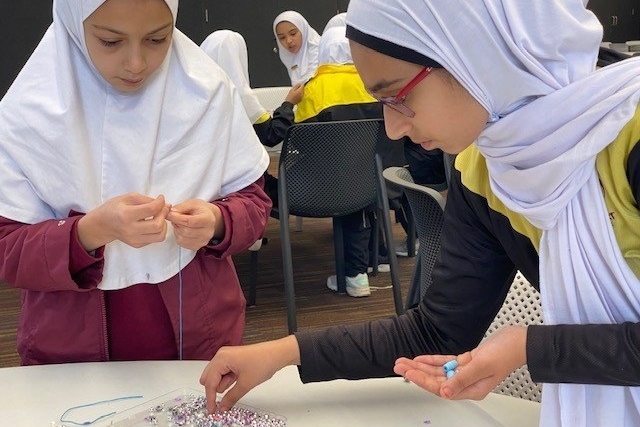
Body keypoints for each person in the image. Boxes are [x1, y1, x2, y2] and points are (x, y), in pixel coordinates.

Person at [200, 1, 640, 426]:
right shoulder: (487, 172)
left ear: (473, 53)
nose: (392, 128)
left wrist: (532, 347)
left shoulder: (630, 135)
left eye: (396, 97)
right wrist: (282, 352)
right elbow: (436, 332)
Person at [0, 0, 272, 365]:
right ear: (73, 25)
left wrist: (219, 222)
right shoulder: (27, 112)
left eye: (158, 39)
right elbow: (8, 249)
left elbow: (254, 201)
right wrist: (87, 232)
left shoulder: (206, 91)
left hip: (200, 343)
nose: (137, 64)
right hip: (70, 357)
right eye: (111, 42)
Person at [200, 29, 304, 202]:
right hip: (243, 184)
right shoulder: (241, 95)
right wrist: (288, 103)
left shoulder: (196, 96)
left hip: (207, 187)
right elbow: (272, 134)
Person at [273, 10, 320, 86]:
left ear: (303, 30)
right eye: (282, 38)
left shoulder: (320, 52)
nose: (288, 41)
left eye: (293, 33)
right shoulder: (289, 56)